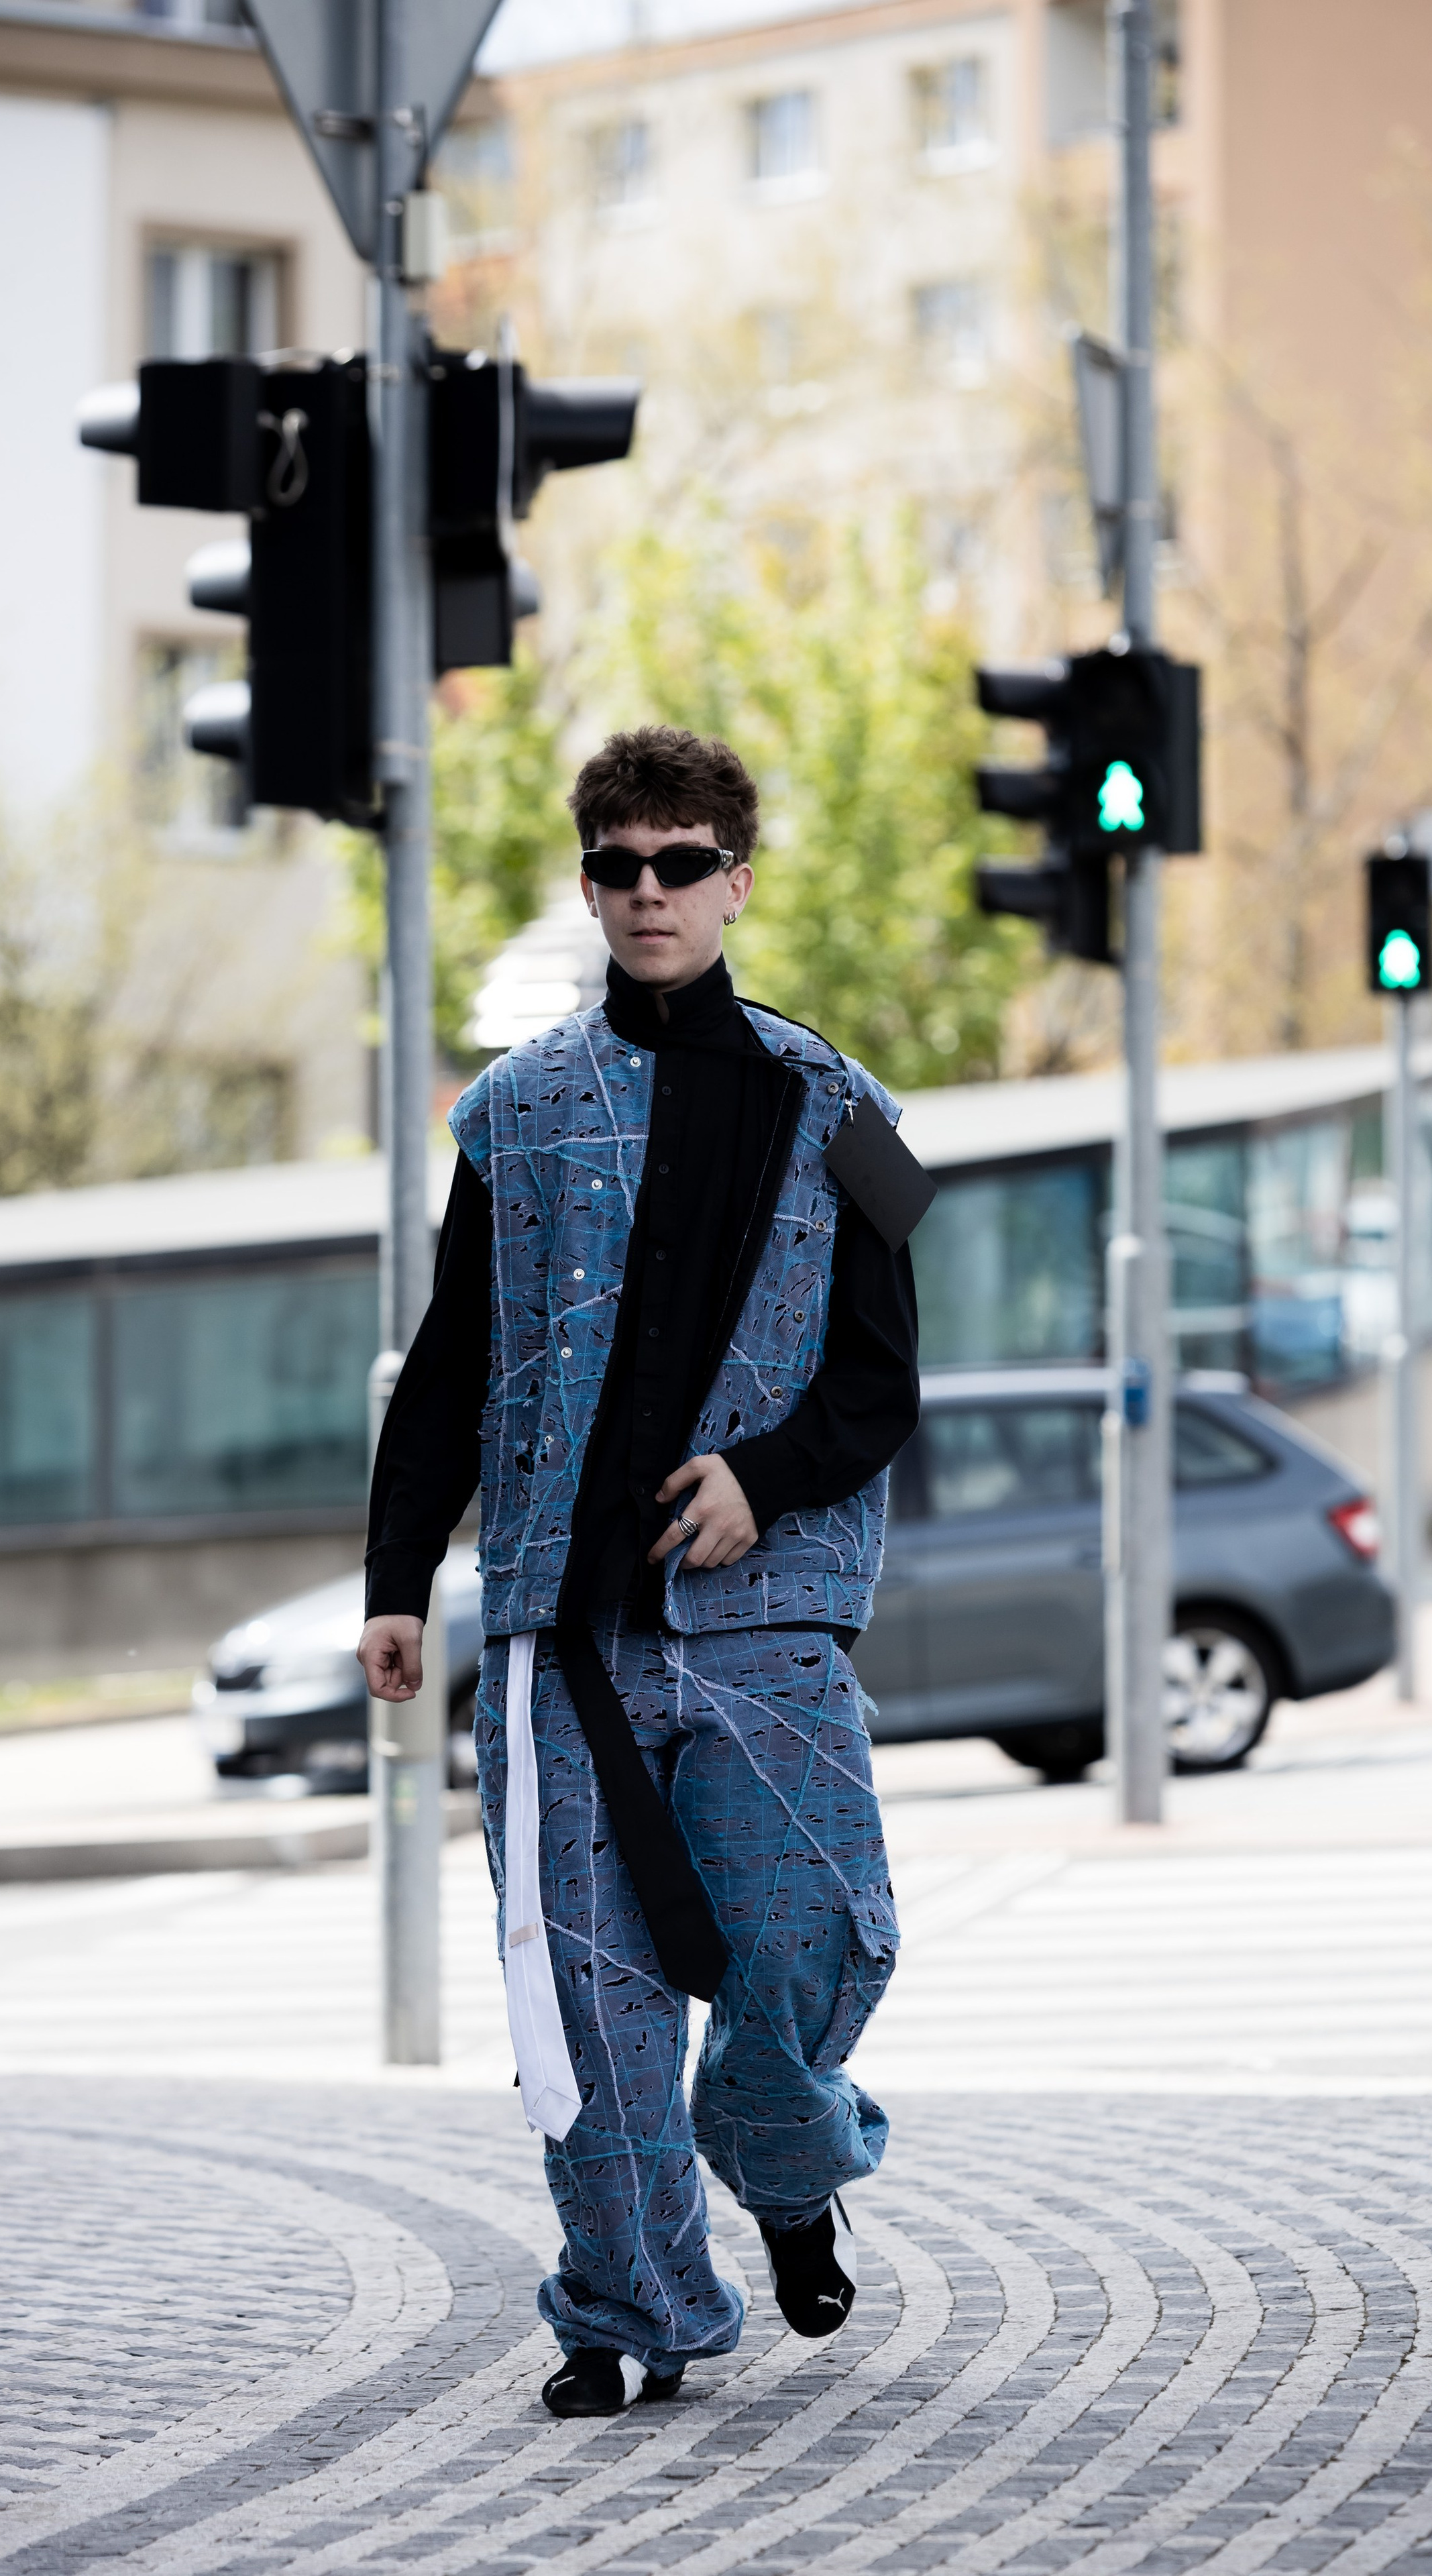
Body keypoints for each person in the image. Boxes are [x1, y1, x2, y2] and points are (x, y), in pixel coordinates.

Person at [359, 723, 926, 2419]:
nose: (649, 892)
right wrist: (399, 1576)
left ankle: (776, 2155)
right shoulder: (513, 1114)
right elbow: (450, 1364)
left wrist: (761, 1480)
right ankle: (626, 2311)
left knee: (818, 1943)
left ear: (736, 880)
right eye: (618, 865)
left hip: (769, 1626)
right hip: (561, 1635)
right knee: (582, 1998)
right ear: (589, 884)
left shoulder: (840, 1106)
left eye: (682, 861)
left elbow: (880, 1385)